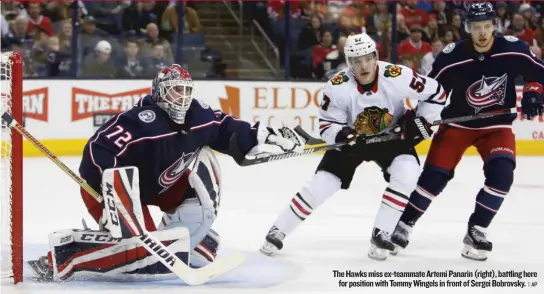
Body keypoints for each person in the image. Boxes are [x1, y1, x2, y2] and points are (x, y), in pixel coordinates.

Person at [28, 64, 305, 281]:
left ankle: (182, 239)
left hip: (162, 184)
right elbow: (96, 151)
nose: (182, 97)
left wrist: (261, 136)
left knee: (203, 171)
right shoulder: (140, 122)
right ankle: (67, 257)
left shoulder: (198, 115)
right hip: (115, 190)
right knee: (140, 252)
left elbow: (226, 127)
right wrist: (116, 198)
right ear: (159, 93)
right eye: (175, 91)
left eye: (186, 90)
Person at [260, 33, 446, 261]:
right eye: (356, 61)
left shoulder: (398, 76)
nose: (363, 66)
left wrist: (423, 120)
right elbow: (327, 124)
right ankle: (278, 229)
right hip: (352, 143)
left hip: (392, 138)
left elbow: (437, 92)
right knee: (323, 184)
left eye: (367, 59)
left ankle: (382, 232)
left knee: (407, 173)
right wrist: (341, 133)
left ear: (376, 56)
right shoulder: (337, 86)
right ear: (348, 63)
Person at [392, 2, 544, 261]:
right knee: (434, 178)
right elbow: (433, 91)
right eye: (476, 27)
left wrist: (533, 92)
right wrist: (419, 118)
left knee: (502, 176)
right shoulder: (453, 55)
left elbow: (539, 74)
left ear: (494, 26)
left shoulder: (513, 48)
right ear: (467, 28)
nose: (482, 33)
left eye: (486, 26)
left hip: (496, 126)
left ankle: (477, 230)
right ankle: (403, 225)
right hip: (458, 124)